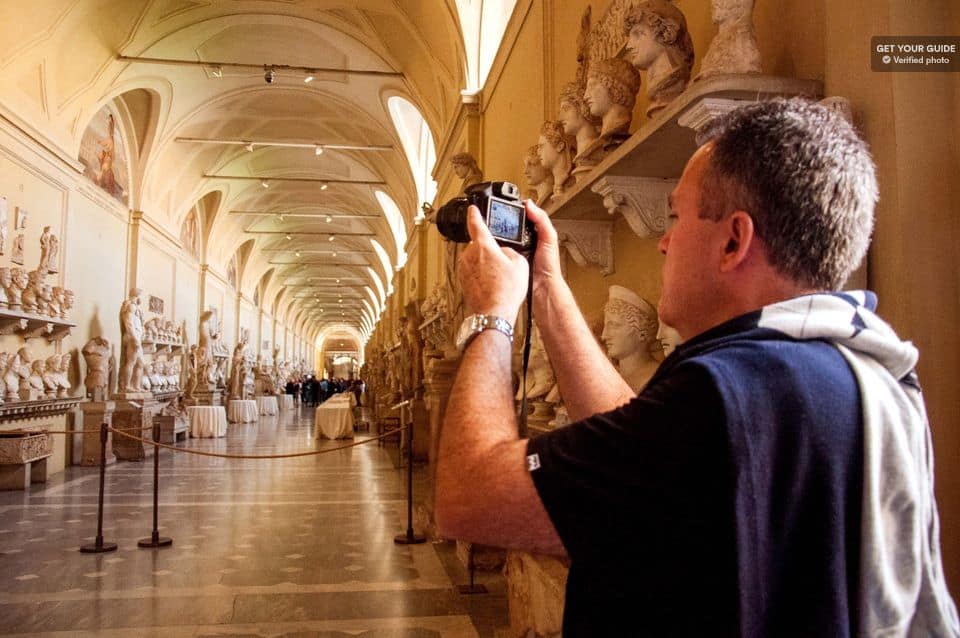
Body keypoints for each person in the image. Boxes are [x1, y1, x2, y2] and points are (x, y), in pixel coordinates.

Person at [435, 99, 959, 636]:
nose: (663, 242)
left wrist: (492, 314)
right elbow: (643, 435)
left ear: (734, 240)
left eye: (676, 217)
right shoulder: (865, 371)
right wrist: (546, 286)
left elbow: (469, 496)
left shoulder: (723, 397)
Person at [623, 0, 695, 117]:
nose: (629, 46)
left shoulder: (675, 79)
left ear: (664, 33)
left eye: (638, 34)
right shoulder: (653, 86)